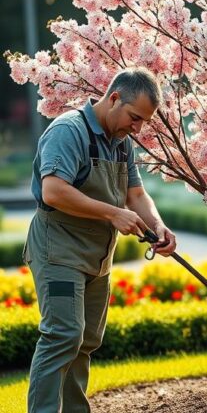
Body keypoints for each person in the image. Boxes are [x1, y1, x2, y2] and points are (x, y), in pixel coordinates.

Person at [24, 67, 178, 412]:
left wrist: (159, 226)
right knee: (63, 336)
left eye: (143, 122)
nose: (137, 128)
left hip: (97, 258)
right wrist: (112, 213)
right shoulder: (69, 131)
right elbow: (53, 191)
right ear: (113, 99)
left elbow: (135, 195)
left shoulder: (120, 143)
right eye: (134, 117)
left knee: (86, 341)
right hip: (58, 251)